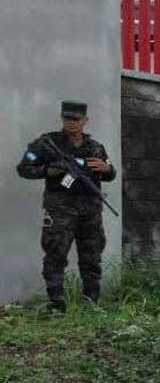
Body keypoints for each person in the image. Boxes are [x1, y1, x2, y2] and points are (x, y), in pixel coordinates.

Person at [15, 101, 116, 312]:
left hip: (90, 210)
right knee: (55, 254)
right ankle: (56, 303)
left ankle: (91, 301)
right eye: (67, 118)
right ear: (62, 118)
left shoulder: (95, 147)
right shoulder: (47, 143)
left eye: (76, 119)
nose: (71, 123)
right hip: (60, 210)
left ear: (85, 121)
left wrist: (108, 169)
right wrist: (47, 170)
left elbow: (109, 175)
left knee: (91, 255)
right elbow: (24, 168)